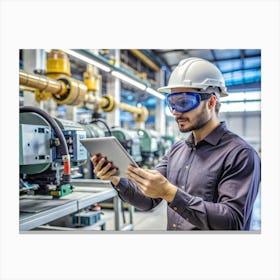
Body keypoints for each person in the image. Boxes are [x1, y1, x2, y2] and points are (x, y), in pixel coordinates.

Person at [91, 57, 261, 230]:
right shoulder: (177, 150)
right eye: (172, 103)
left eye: (184, 102)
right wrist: (117, 179)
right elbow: (148, 200)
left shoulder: (240, 154)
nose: (176, 112)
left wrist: (169, 192)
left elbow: (232, 222)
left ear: (211, 102)